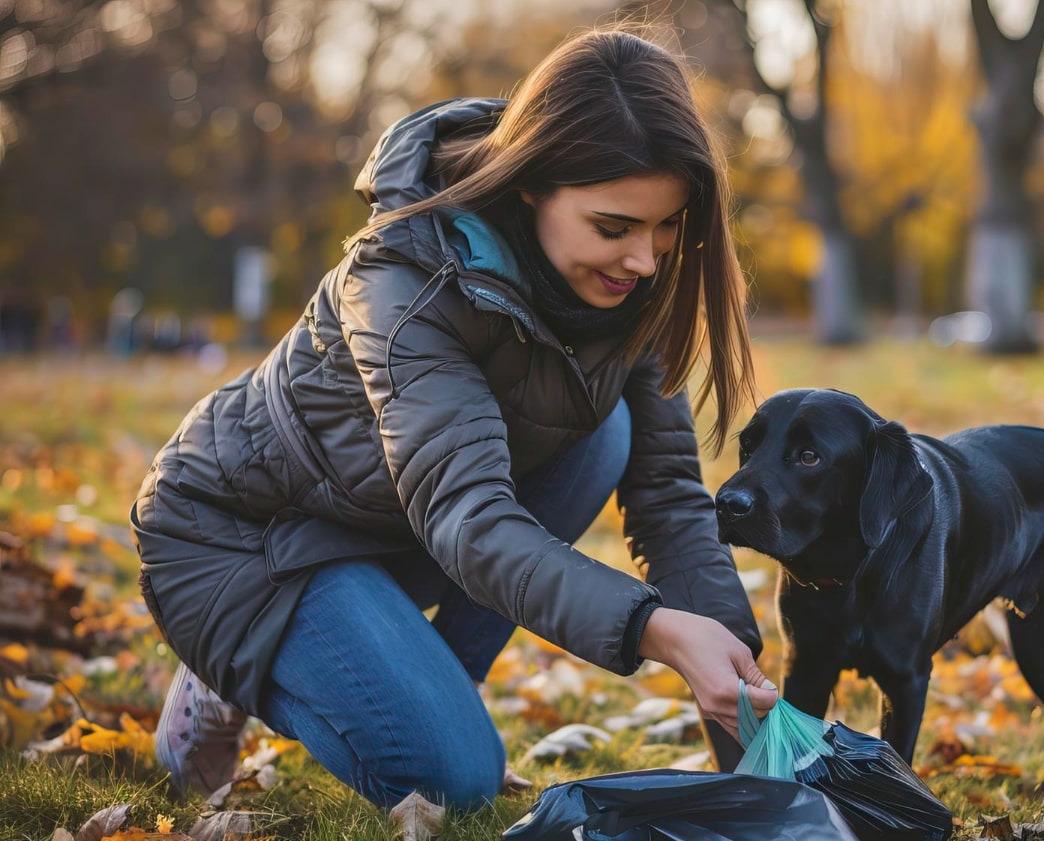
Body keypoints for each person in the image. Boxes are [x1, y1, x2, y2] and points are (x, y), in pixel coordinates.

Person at [129, 28, 778, 811]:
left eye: (666, 227)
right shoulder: (404, 279)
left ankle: (425, 681)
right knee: (455, 781)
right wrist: (661, 631)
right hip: (246, 535)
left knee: (606, 432)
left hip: (389, 520)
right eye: (614, 228)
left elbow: (671, 498)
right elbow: (470, 520)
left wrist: (747, 697)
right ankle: (227, 677)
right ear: (535, 182)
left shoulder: (633, 287)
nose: (644, 259)